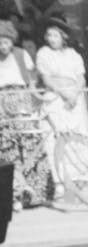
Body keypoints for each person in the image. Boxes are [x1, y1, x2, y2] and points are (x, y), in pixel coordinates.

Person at [35, 16, 88, 199]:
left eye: (55, 35)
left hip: (75, 100)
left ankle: (82, 179)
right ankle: (61, 183)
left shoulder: (73, 55)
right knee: (58, 138)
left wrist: (75, 93)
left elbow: (81, 78)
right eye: (49, 35)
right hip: (56, 98)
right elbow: (47, 79)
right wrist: (64, 94)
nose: (52, 39)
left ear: (63, 37)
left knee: (79, 137)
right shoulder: (43, 54)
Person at [0, 18, 50, 210]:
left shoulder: (21, 55)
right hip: (2, 102)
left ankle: (36, 193)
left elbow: (30, 82)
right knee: (8, 150)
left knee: (31, 144)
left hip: (22, 100)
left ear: (12, 40)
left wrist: (39, 98)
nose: (3, 46)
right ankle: (14, 195)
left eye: (6, 41)